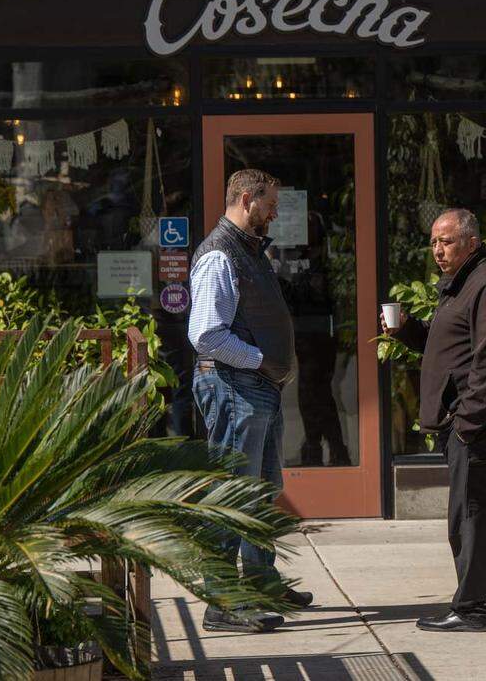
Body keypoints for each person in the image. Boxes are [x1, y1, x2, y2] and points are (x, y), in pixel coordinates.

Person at [381, 208, 486, 632]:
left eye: (446, 241)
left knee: (468, 515)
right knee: (485, 512)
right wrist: (407, 330)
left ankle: (471, 609)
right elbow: (448, 347)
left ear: (472, 242)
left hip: (478, 425)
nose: (438, 250)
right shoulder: (460, 285)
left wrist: (466, 423)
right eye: (433, 242)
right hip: (465, 422)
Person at [188, 168, 314, 633]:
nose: (276, 212)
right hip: (234, 387)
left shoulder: (248, 250)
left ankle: (260, 582)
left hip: (255, 388)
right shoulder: (220, 256)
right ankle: (221, 600)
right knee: (232, 496)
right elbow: (205, 335)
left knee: (261, 490)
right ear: (245, 199)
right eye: (269, 204)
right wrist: (262, 360)